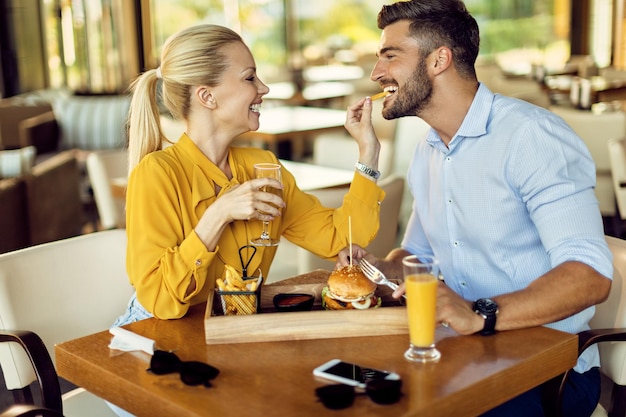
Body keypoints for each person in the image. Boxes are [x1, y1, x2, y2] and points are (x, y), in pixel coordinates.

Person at [337, 1, 613, 416]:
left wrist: (478, 314)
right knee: (351, 391)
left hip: (551, 367)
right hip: (465, 349)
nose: (376, 73)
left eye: (390, 55)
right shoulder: (428, 149)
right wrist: (376, 268)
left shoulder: (530, 137)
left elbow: (590, 276)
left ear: (439, 60)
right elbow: (418, 258)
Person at [113, 23, 385, 325]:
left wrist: (367, 154)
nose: (264, 88)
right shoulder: (157, 174)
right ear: (207, 96)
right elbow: (162, 302)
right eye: (249, 77)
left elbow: (342, 238)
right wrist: (218, 215)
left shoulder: (263, 167)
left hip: (230, 328)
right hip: (154, 333)